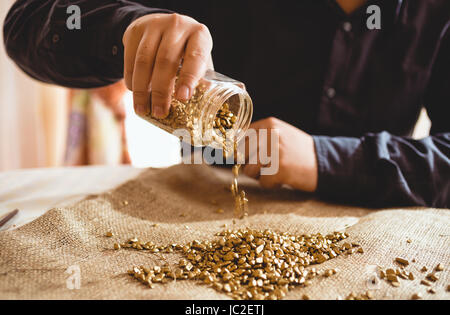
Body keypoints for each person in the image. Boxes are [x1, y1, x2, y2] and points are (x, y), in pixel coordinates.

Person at [3, 0, 449, 207]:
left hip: (378, 219)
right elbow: (26, 22)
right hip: (196, 204)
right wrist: (127, 29)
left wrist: (324, 159)